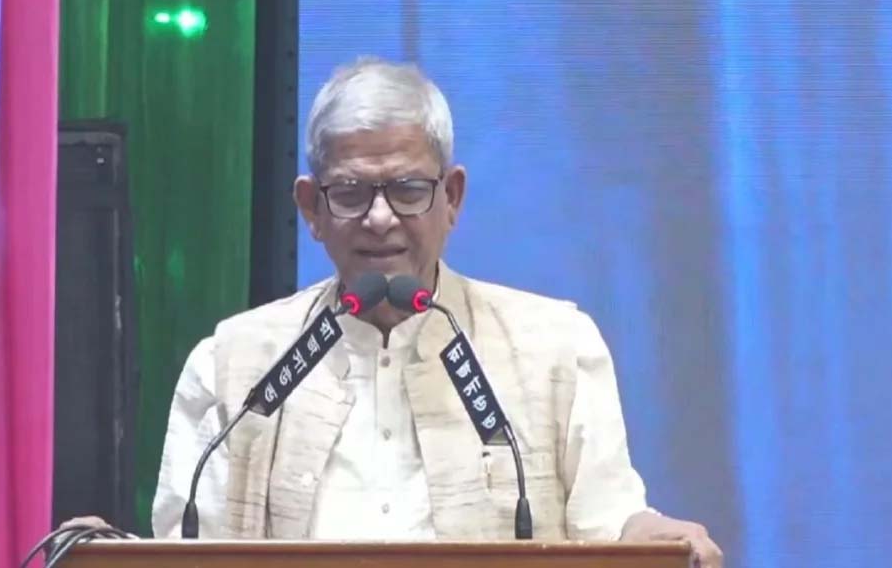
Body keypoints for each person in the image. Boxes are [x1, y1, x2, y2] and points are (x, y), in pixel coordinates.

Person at [145, 57, 722, 566]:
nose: (379, 218)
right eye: (350, 193)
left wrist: (653, 537)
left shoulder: (557, 348)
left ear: (452, 197)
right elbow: (180, 550)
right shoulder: (234, 362)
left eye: (407, 190)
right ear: (311, 208)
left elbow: (611, 522)